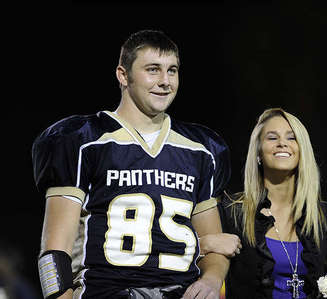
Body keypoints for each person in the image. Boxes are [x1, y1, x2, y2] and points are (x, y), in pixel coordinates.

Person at [32, 29, 231, 299]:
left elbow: (215, 247)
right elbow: (55, 252)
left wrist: (212, 278)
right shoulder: (83, 141)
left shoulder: (201, 149)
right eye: (153, 70)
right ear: (123, 75)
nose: (165, 81)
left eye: (172, 71)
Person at [201, 108, 327, 298]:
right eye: (272, 138)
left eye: (291, 138)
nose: (282, 143)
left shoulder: (323, 216)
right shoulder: (232, 211)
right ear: (258, 153)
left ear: (302, 151)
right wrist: (204, 244)